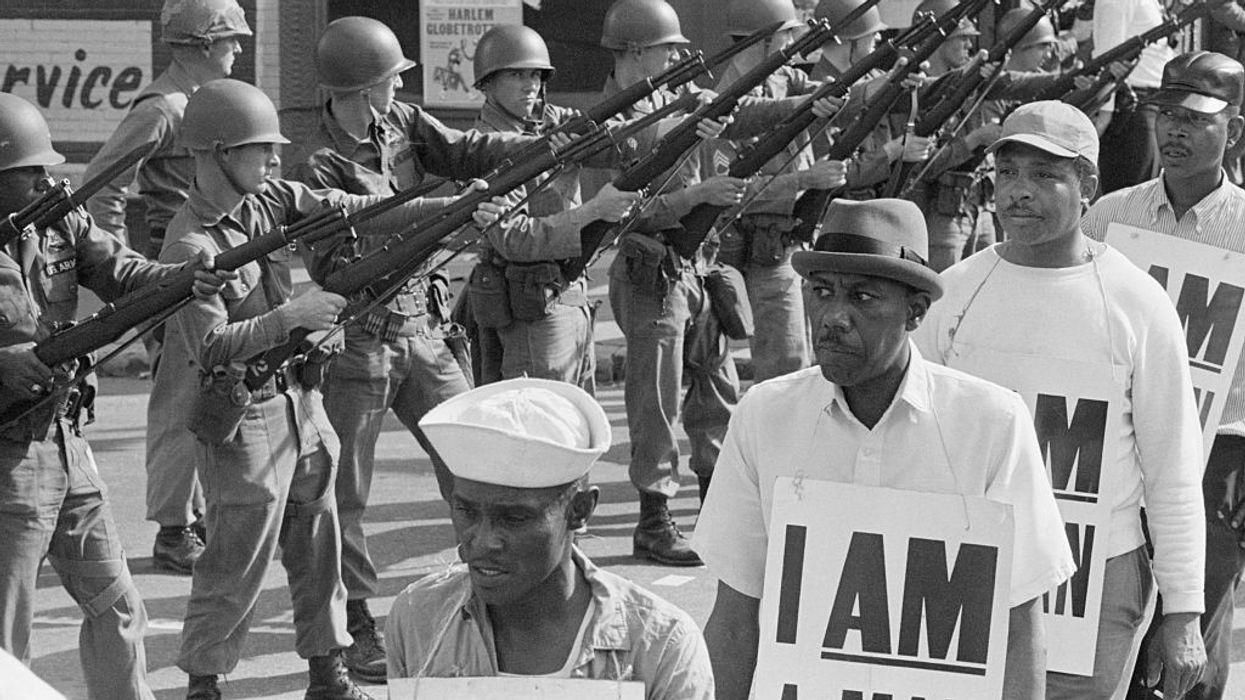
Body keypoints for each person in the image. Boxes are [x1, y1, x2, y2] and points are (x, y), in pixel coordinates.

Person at [164, 78, 501, 700]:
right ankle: (204, 684)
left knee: (320, 556)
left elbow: (354, 211)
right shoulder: (192, 244)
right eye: (260, 149)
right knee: (234, 565)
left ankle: (329, 673)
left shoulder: (267, 200)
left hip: (303, 403)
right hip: (247, 419)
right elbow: (207, 348)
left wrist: (449, 210)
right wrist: (290, 318)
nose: (273, 160)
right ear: (215, 153)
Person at [694, 197, 1076, 699]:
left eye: (863, 298)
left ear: (915, 311)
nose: (833, 316)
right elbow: (734, 622)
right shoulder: (764, 416)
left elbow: (1020, 630)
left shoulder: (991, 425)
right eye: (821, 292)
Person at [913, 100, 1207, 698]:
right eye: (1009, 174)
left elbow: (1173, 472)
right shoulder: (955, 295)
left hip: (1095, 584)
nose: (1020, 192)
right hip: (964, 568)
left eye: (1045, 175)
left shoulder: (1137, 304)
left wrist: (1183, 612)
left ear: (1088, 186)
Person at [292, 17, 553, 682]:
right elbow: (340, 249)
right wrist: (442, 210)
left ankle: (492, 595)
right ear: (360, 89)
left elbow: (465, 149)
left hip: (424, 327)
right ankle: (355, 625)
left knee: (477, 460)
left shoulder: (401, 122)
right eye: (389, 80)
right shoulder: (316, 160)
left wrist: (540, 141)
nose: (397, 90)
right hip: (360, 338)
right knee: (344, 493)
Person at [0, 92, 231, 700]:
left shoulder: (59, 221)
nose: (48, 179)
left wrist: (187, 277)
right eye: (30, 170)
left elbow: (123, 272)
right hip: (8, 462)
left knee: (119, 604)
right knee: (6, 642)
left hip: (68, 445)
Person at [598, 0, 824, 566]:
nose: (677, 55)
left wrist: (812, 102)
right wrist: (696, 197)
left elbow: (745, 114)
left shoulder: (673, 99)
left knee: (717, 387)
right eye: (666, 49)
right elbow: (618, 212)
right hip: (651, 268)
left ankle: (713, 502)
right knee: (656, 398)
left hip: (699, 266)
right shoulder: (610, 122)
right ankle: (654, 519)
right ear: (633, 51)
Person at [1083, 51, 1245, 700]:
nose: (1173, 131)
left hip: (1220, 450)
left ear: (1232, 130)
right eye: (1164, 115)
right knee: (1114, 613)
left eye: (1193, 119)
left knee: (1195, 625)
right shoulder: (1106, 218)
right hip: (1116, 444)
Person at [386, 377, 713, 699]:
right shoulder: (418, 618)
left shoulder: (660, 645)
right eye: (466, 512)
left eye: (514, 518)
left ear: (580, 510)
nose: (483, 541)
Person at [90, 0, 252, 577]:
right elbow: (101, 190)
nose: (238, 50)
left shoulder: (204, 105)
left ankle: (198, 514)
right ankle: (173, 528)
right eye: (230, 40)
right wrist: (122, 276)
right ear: (203, 46)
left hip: (207, 267)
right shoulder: (162, 109)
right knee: (180, 398)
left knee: (211, 387)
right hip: (171, 271)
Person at [467, 24, 641, 389]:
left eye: (536, 75)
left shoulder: (551, 122)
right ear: (487, 83)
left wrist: (682, 119)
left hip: (571, 295)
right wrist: (594, 211)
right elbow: (512, 238)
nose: (530, 84)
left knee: (580, 427)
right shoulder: (484, 148)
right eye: (516, 75)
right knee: (544, 427)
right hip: (534, 310)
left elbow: (622, 144)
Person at [710, 0, 848, 382]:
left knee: (803, 357)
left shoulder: (782, 79)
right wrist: (804, 181)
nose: (793, 44)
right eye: (786, 35)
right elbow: (731, 191)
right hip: (758, 248)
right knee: (784, 365)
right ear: (763, 40)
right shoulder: (725, 104)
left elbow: (837, 92)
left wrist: (892, 79)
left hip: (790, 240)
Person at [1093, 0, 1176, 192]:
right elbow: (1109, 57)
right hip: (1130, 110)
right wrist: (1105, 115)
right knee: (1130, 200)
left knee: (1145, 201)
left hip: (1152, 105)